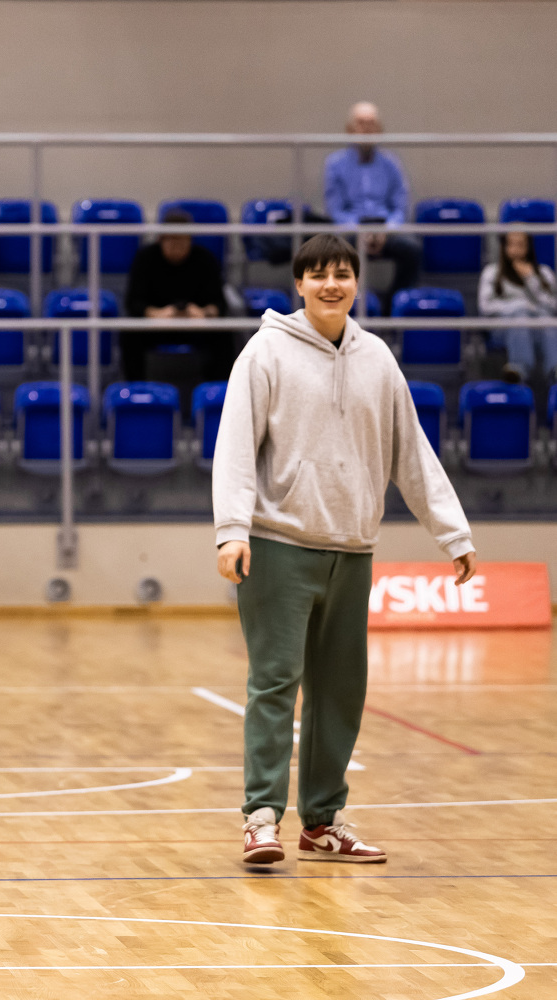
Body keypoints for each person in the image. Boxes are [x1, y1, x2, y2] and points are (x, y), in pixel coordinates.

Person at [213, 233, 475, 866]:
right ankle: (261, 819)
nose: (331, 285)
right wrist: (232, 529)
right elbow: (235, 444)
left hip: (354, 550)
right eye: (318, 275)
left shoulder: (377, 359)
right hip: (277, 546)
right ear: (298, 284)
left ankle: (323, 821)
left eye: (342, 274)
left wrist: (453, 533)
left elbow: (412, 452)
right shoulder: (265, 352)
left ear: (357, 283)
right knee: (275, 684)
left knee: (340, 691)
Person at [324, 102, 421, 307]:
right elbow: (336, 210)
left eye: (371, 124)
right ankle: (353, 305)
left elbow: (400, 206)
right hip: (351, 231)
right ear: (349, 130)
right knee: (332, 251)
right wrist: (360, 232)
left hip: (386, 229)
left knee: (412, 249)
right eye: (361, 123)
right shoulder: (335, 164)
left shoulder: (391, 163)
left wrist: (386, 230)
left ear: (379, 129)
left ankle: (392, 307)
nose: (366, 129)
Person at [121, 208, 230, 380]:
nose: (177, 247)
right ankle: (136, 386)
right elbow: (133, 302)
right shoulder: (145, 258)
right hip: (156, 324)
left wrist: (203, 313)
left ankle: (217, 389)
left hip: (196, 325)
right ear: (161, 240)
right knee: (129, 333)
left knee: (225, 334)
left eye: (182, 242)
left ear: (190, 240)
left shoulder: (205, 259)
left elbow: (219, 304)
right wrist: (157, 313)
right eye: (172, 241)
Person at [478, 231, 557, 384]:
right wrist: (518, 305)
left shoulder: (544, 273)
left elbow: (553, 306)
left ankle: (554, 369)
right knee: (520, 314)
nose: (516, 249)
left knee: (546, 317)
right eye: (511, 244)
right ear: (504, 246)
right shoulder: (492, 272)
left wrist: (530, 280)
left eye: (521, 244)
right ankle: (519, 369)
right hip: (504, 328)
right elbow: (485, 307)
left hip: (539, 327)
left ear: (529, 247)